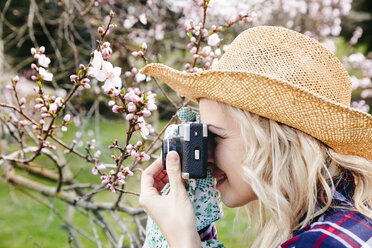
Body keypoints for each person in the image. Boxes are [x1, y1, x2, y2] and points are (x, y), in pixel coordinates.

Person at [138, 26, 372, 247]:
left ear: (274, 140)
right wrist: (194, 216)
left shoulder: (324, 242)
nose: (205, 159)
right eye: (201, 137)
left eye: (215, 137)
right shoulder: (343, 219)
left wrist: (182, 239)